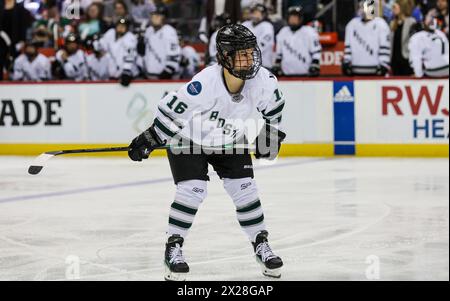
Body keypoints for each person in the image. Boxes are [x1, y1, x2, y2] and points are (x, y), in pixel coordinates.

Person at [127, 24, 285, 281]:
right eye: (241, 53)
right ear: (224, 56)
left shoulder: (263, 82)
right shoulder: (205, 83)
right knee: (192, 190)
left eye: (250, 52)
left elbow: (275, 107)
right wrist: (151, 137)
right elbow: (172, 110)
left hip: (231, 139)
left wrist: (271, 134)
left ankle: (261, 244)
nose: (249, 59)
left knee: (246, 190)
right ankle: (173, 247)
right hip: (189, 139)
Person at [342, 0, 392, 76]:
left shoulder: (381, 25)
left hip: (375, 73)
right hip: (355, 72)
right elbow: (348, 48)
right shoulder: (351, 25)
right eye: (362, 6)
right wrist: (346, 62)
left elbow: (385, 48)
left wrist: (383, 65)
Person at [273, 5, 321, 77]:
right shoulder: (283, 32)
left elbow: (316, 51)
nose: (293, 19)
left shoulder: (309, 32)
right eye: (291, 17)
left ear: (301, 18)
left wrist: (315, 65)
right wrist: (277, 64)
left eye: (295, 17)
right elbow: (279, 54)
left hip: (306, 76)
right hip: (286, 76)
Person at [137, 4, 180, 79]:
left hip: (167, 76)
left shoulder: (168, 31)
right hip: (150, 75)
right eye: (153, 15)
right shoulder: (148, 30)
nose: (154, 17)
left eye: (158, 15)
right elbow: (142, 52)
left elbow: (174, 54)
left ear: (164, 18)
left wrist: (168, 71)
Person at [98, 17, 138, 86]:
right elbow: (101, 45)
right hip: (112, 75)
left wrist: (127, 71)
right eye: (119, 25)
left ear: (127, 28)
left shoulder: (130, 37)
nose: (121, 27)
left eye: (123, 26)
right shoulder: (111, 33)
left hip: (127, 76)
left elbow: (130, 55)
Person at [242, 4, 275, 69]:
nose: (255, 15)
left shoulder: (267, 26)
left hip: (263, 65)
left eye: (258, 13)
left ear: (264, 14)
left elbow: (261, 46)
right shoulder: (245, 24)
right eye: (254, 13)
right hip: (246, 65)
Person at [390, 0, 416, 75]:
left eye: (395, 7)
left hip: (406, 61)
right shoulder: (393, 23)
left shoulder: (411, 22)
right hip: (394, 62)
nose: (393, 9)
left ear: (402, 8)